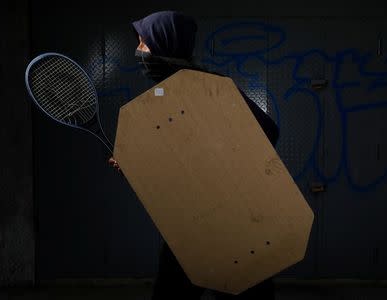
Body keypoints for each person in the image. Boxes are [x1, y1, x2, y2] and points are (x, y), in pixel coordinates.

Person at [109, 10, 278, 300]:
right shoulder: (162, 98)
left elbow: (268, 131)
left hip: (231, 225)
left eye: (144, 43)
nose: (138, 51)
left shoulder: (212, 86)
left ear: (166, 44)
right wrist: (137, 163)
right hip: (190, 225)